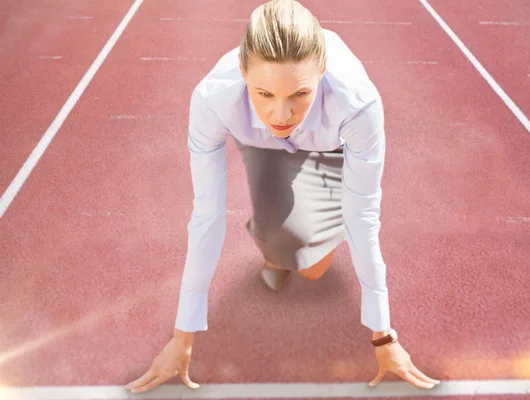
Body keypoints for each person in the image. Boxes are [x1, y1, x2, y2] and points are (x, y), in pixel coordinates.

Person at [125, 0, 440, 394]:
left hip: (328, 141)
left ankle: (305, 237)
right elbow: (206, 215)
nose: (281, 113)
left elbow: (362, 215)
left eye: (299, 93)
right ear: (242, 74)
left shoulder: (358, 105)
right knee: (277, 239)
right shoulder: (213, 100)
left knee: (312, 265)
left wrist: (383, 337)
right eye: (264, 92)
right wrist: (182, 336)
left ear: (322, 74)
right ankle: (280, 243)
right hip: (256, 140)